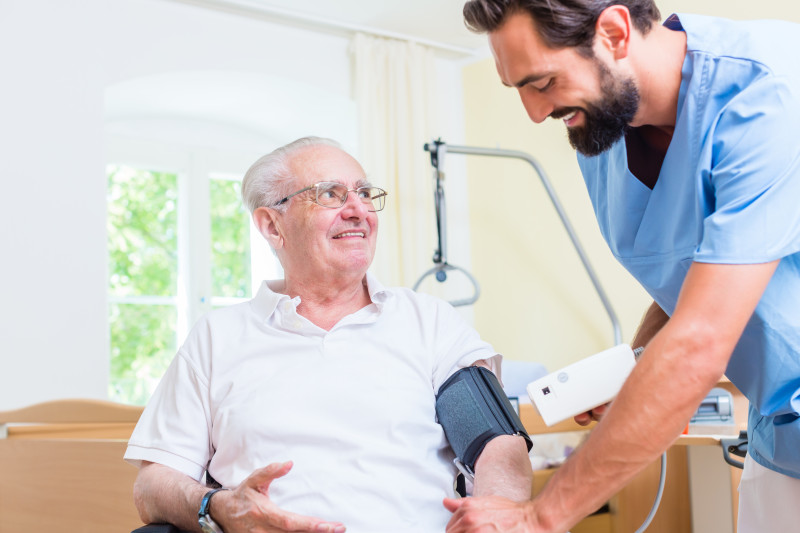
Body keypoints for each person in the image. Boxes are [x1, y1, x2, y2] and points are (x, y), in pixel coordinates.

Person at [446, 1, 800, 532]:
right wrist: (635, 368)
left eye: (542, 82)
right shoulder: (602, 132)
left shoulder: (768, 93)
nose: (534, 113)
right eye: (517, 88)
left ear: (613, 33)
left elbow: (701, 339)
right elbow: (693, 272)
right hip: (782, 433)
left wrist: (542, 515)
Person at [124, 136, 533, 533]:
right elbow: (154, 484)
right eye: (330, 194)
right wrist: (217, 509)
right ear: (271, 225)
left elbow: (496, 442)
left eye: (364, 193)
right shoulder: (216, 338)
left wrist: (498, 511)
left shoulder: (430, 322)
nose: (358, 210)